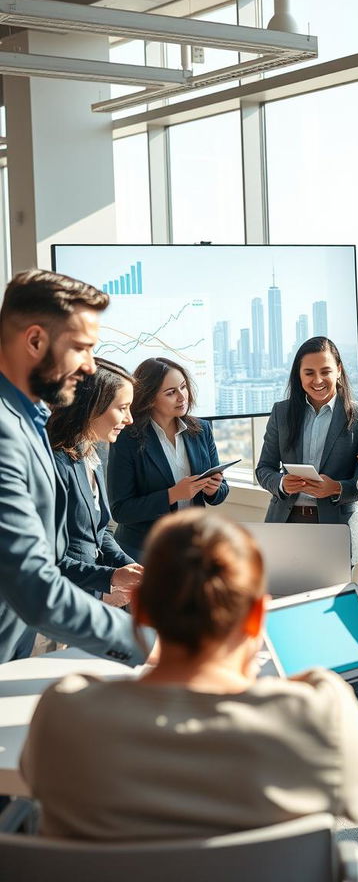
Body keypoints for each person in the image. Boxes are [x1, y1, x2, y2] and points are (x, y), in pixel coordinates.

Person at [21, 508, 358, 840]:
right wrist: (318, 684)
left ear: (142, 610)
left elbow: (35, 780)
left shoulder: (64, 713)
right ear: (259, 616)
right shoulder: (315, 714)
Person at [0, 269, 151, 665]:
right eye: (81, 348)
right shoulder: (4, 432)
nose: (88, 367)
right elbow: (35, 583)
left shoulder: (27, 420)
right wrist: (149, 645)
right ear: (35, 340)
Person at [256, 336, 358, 563]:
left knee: (333, 597)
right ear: (299, 374)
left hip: (336, 528)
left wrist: (335, 488)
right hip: (286, 524)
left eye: (325, 371)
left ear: (338, 370)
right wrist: (281, 483)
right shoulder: (282, 413)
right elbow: (264, 468)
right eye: (309, 373)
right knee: (283, 597)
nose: (318, 380)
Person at [108, 357, 229, 562]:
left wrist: (214, 489)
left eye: (183, 387)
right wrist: (172, 495)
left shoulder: (201, 430)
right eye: (171, 392)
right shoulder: (126, 438)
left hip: (193, 546)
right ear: (149, 398)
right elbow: (121, 511)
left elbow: (221, 491)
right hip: (144, 551)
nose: (182, 397)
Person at [47, 358, 143, 607]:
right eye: (123, 408)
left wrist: (126, 565)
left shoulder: (90, 452)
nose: (130, 418)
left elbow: (98, 532)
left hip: (83, 598)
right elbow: (47, 558)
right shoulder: (53, 463)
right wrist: (108, 578)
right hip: (54, 606)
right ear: (91, 406)